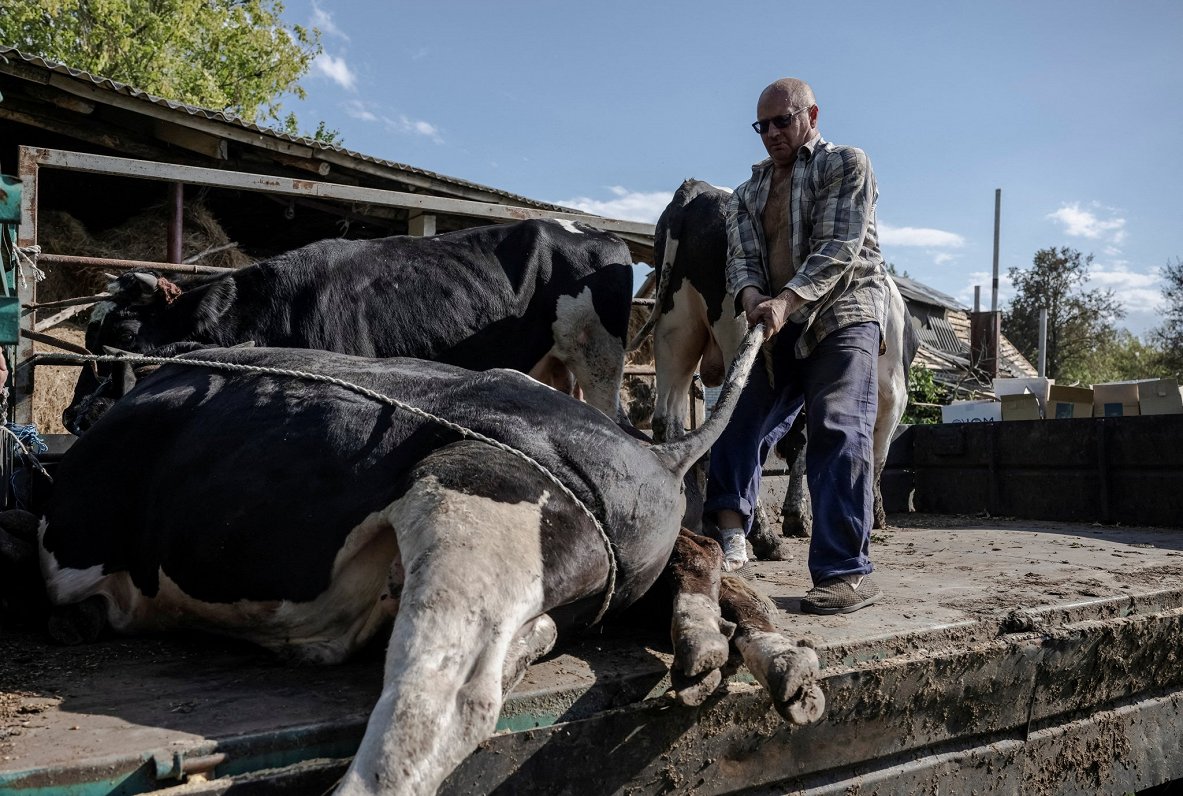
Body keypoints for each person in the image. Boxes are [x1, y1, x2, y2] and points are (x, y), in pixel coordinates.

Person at [705, 77, 890, 615]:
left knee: (836, 424)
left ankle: (845, 573)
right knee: (736, 418)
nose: (771, 133)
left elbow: (838, 249)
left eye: (782, 121)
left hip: (843, 314)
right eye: (761, 125)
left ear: (811, 114)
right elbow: (741, 261)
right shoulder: (746, 194)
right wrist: (754, 297)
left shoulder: (846, 164)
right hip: (778, 322)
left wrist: (785, 301)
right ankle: (729, 539)